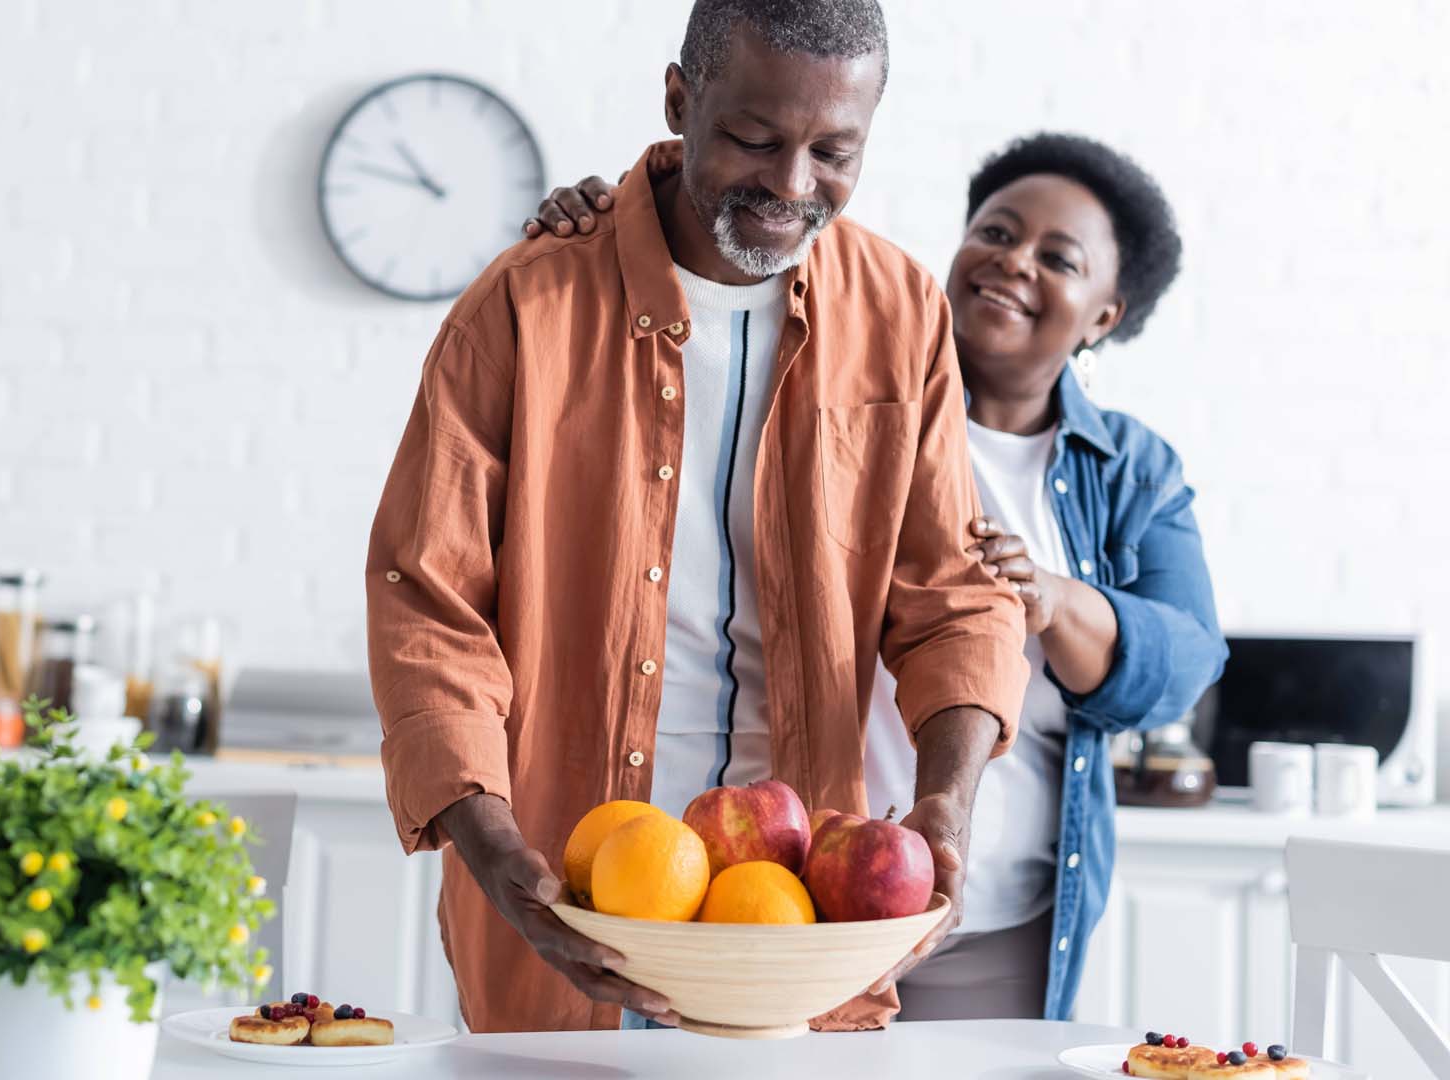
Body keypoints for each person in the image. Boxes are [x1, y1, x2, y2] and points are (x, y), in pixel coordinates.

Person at [367, 0, 1031, 1035]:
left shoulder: (902, 312)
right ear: (680, 98)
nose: (793, 185)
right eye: (755, 139)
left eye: (835, 151)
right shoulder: (524, 306)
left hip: (804, 936)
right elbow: (430, 610)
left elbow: (949, 598)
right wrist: (495, 852)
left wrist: (948, 801)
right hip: (570, 906)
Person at [524, 132, 1226, 1021]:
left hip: (1009, 906)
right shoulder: (849, 382)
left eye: (1057, 258)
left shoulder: (1130, 468)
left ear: (1103, 317)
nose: (1013, 263)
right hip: (809, 893)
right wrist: (624, 229)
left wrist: (1054, 601)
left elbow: (1186, 665)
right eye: (997, 232)